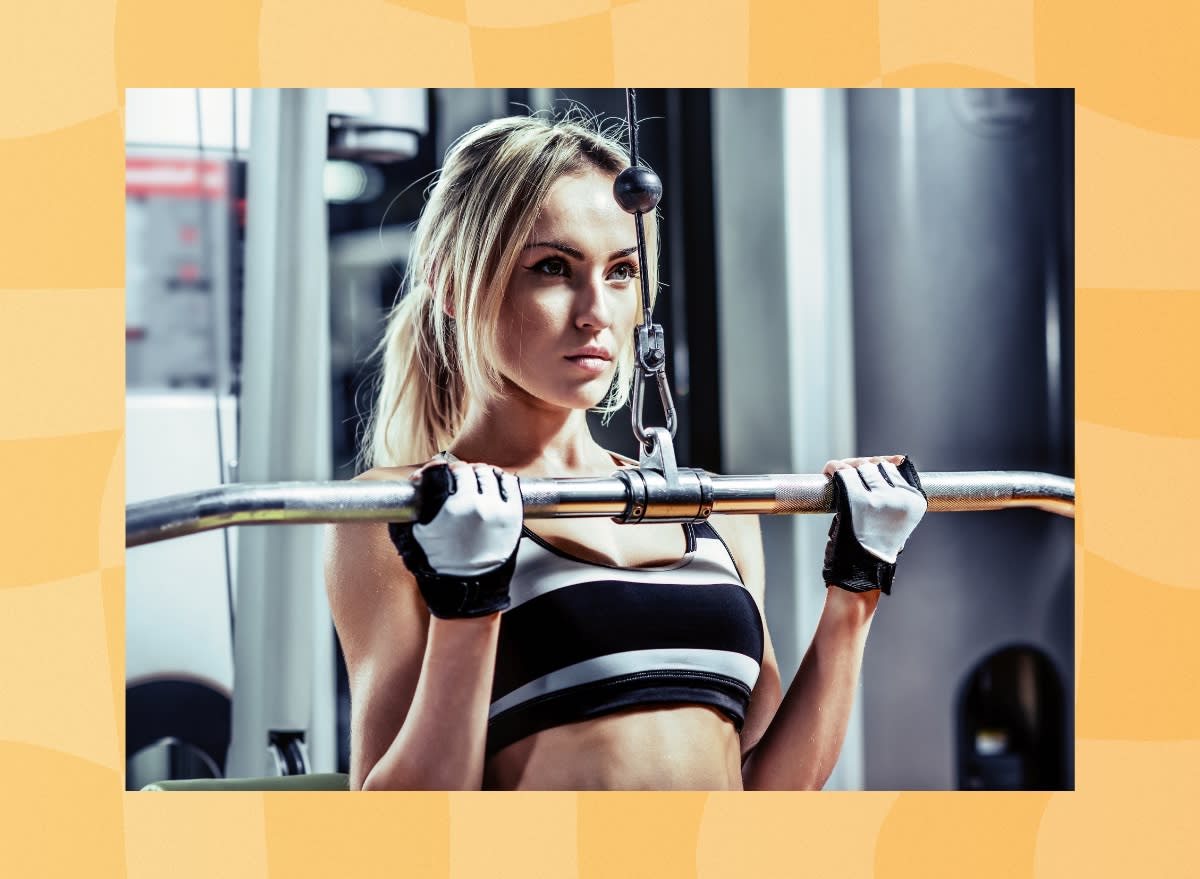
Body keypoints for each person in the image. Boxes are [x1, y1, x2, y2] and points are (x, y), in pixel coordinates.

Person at [324, 114, 927, 791]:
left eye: (621, 271)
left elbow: (769, 794)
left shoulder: (713, 512)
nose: (597, 312)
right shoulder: (397, 515)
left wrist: (858, 586)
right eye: (553, 267)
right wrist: (468, 603)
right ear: (450, 284)